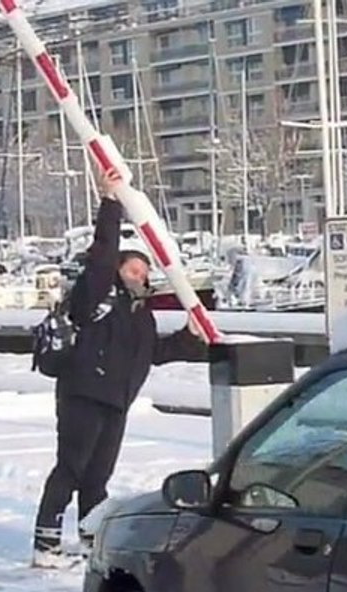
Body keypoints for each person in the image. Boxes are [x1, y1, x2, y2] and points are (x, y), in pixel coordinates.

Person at [33, 167, 202, 568]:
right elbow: (102, 254)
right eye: (132, 269)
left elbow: (153, 353)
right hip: (84, 395)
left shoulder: (140, 314)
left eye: (144, 273)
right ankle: (45, 544)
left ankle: (91, 542)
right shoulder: (95, 297)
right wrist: (111, 203)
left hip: (116, 402)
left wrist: (192, 338)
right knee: (70, 470)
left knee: (97, 478)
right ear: (117, 272)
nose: (139, 276)